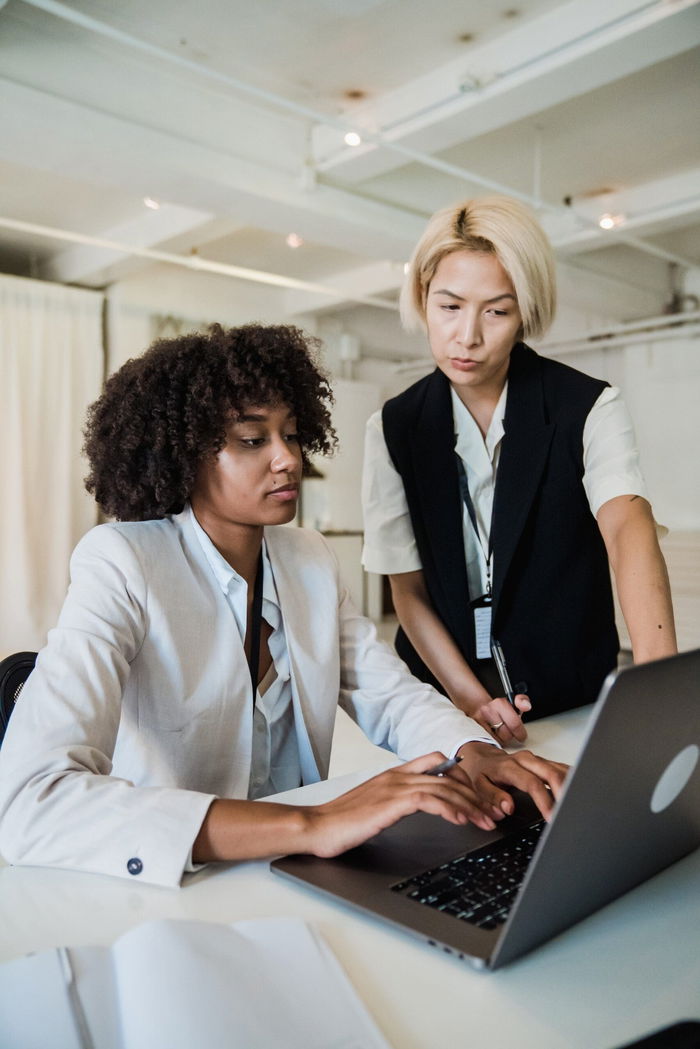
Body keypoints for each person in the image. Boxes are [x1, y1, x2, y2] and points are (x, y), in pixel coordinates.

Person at [0, 323, 566, 888]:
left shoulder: (309, 558)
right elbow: (32, 801)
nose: (287, 460)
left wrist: (472, 749)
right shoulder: (122, 561)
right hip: (182, 883)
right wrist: (312, 822)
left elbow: (388, 693)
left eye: (292, 435)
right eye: (253, 440)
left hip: (297, 876)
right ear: (184, 453)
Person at [362, 196, 677, 746]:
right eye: (449, 306)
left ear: (525, 313)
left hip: (569, 697)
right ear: (422, 299)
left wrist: (662, 697)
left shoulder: (587, 406)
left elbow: (629, 530)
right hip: (444, 707)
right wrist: (472, 702)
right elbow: (407, 592)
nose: (468, 336)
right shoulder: (392, 428)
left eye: (496, 311)